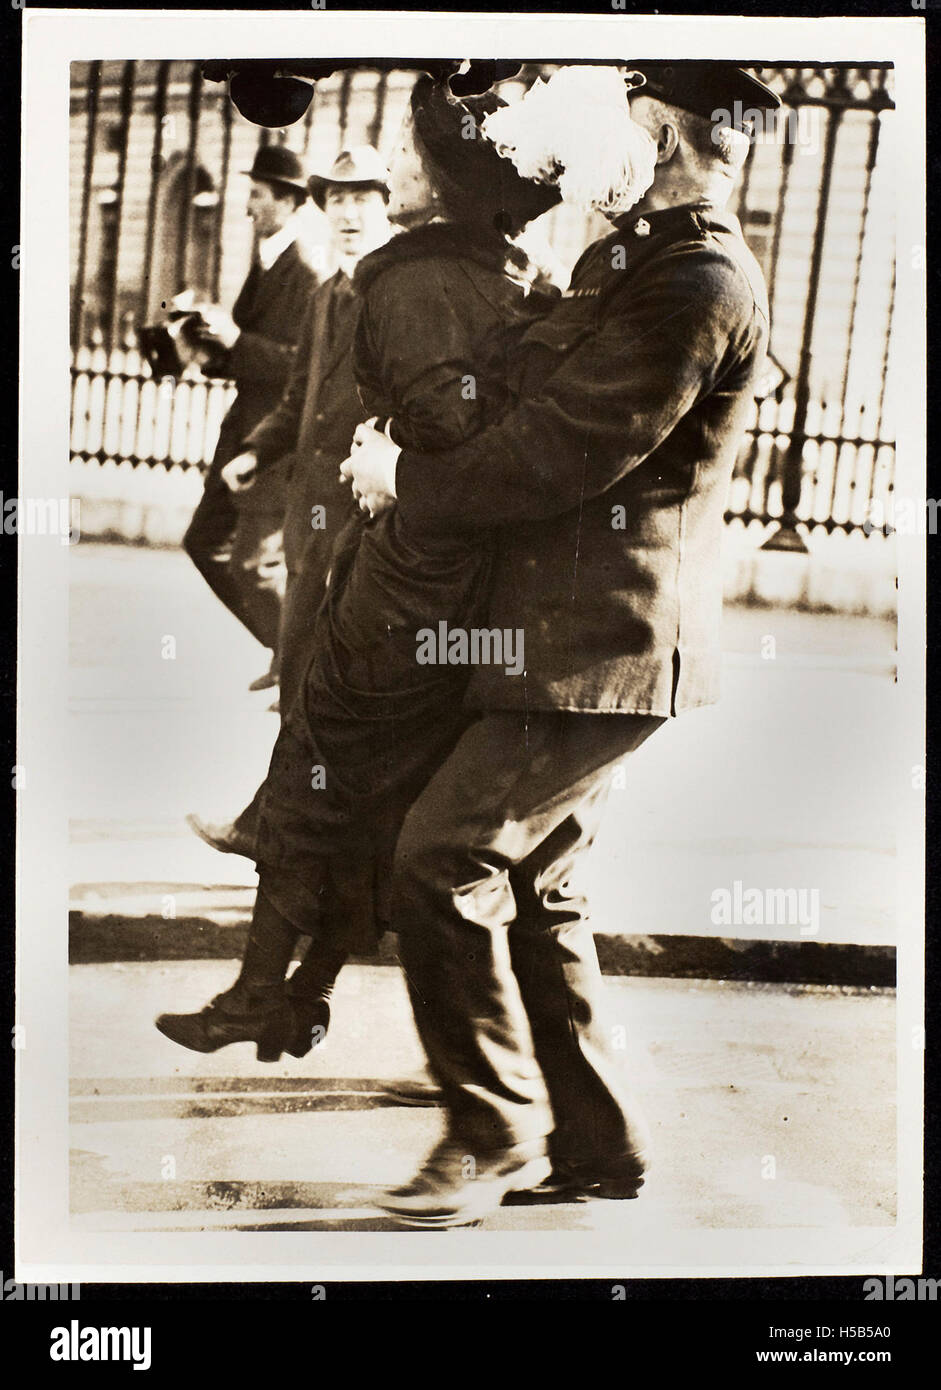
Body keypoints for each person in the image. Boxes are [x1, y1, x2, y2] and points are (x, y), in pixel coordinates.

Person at [344, 61, 781, 1227]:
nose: (587, 137)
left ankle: (485, 1129)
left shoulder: (696, 278)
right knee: (534, 888)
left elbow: (562, 449)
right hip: (564, 636)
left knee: (443, 859)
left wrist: (408, 483)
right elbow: (523, 388)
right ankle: (598, 1144)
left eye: (618, 116)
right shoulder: (634, 257)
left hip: (599, 643)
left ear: (664, 130)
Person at [155, 77, 560, 1062]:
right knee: (349, 799)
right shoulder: (518, 286)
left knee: (318, 784)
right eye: (332, 196)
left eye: (369, 189)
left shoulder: (419, 283)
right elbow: (315, 397)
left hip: (402, 589)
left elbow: (448, 438)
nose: (348, 208)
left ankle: (291, 996)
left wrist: (394, 469)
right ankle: (296, 995)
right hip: (371, 574)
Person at [182, 144, 318, 691]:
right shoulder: (265, 265)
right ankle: (287, 648)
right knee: (202, 540)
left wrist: (238, 340)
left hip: (274, 442)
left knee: (253, 566)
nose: (247, 207)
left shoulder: (306, 275)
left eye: (257, 196)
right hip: (240, 430)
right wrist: (205, 351)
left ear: (287, 202)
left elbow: (298, 369)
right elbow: (251, 356)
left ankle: (301, 660)